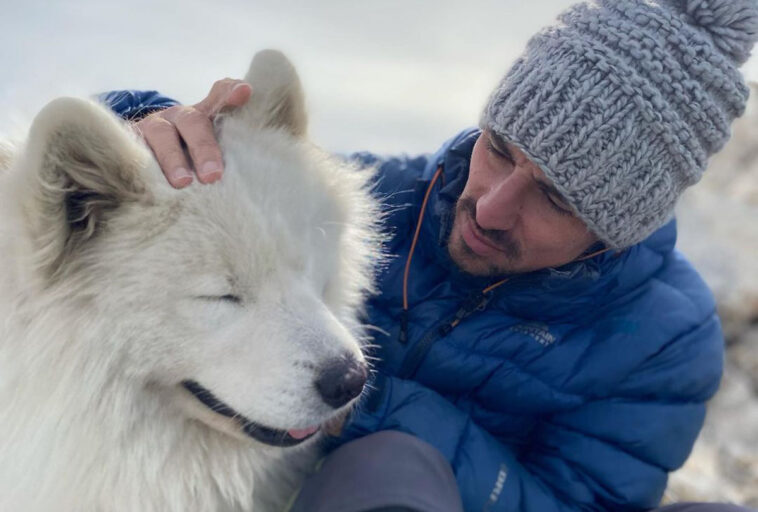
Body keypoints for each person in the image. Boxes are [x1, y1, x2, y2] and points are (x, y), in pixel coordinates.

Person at [100, 0, 758, 510]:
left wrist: (364, 402)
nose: (492, 207)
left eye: (556, 199)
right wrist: (142, 123)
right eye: (498, 148)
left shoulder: (666, 339)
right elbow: (87, 203)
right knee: (386, 468)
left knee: (393, 462)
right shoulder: (375, 199)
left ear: (617, 229)